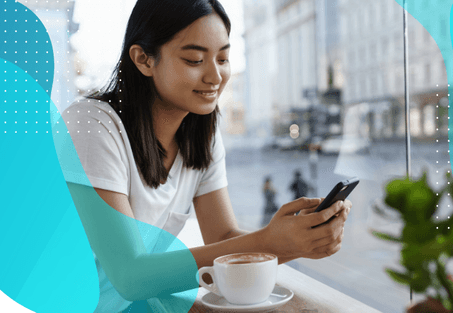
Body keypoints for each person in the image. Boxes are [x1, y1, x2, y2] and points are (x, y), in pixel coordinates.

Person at [60, 0, 351, 312]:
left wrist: (297, 241)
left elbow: (223, 236)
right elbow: (130, 276)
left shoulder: (202, 135)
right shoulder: (89, 124)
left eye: (223, 58)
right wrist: (270, 242)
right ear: (143, 59)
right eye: (195, 60)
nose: (215, 76)